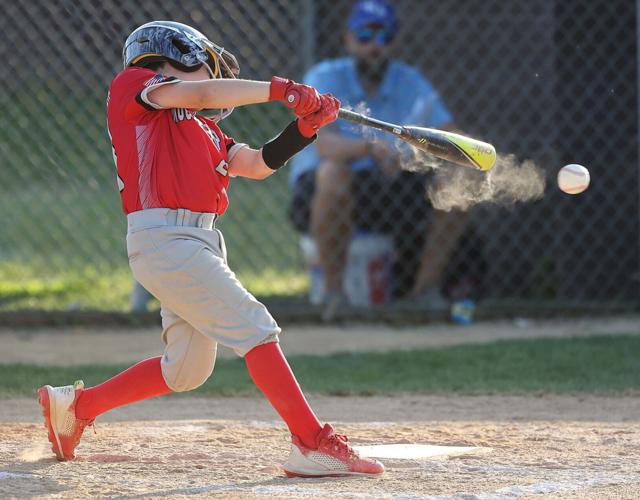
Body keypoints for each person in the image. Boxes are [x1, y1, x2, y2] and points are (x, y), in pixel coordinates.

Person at [37, 20, 383, 478]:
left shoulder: (202, 129)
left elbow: (256, 164)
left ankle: (77, 406)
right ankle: (312, 442)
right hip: (165, 238)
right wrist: (283, 89)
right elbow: (197, 94)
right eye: (209, 68)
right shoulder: (136, 85)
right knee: (255, 326)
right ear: (176, 54)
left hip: (196, 242)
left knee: (187, 370)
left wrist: (304, 130)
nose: (216, 83)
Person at [289, 0, 470, 318]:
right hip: (322, 190)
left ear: (394, 42)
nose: (375, 46)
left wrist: (412, 152)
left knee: (460, 179)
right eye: (365, 35)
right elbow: (323, 145)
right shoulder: (325, 76)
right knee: (333, 172)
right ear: (348, 39)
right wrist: (370, 149)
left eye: (385, 37)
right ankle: (335, 297)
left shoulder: (409, 81)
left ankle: (423, 294)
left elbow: (451, 135)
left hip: (391, 187)